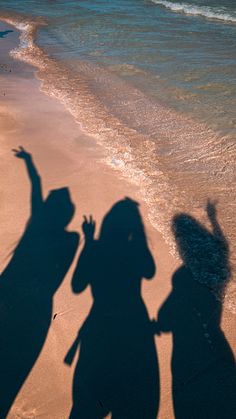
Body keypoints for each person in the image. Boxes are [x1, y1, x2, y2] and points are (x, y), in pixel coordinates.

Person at [0, 147, 79, 417]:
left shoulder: (33, 230)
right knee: (10, 383)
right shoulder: (72, 240)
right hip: (36, 314)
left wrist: (30, 161)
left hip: (7, 289)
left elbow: (36, 191)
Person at [66, 198, 159, 419]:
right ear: (131, 227)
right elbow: (150, 272)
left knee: (86, 404)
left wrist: (89, 241)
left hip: (99, 322)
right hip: (133, 320)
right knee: (130, 397)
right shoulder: (135, 249)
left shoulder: (95, 248)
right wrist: (139, 235)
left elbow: (77, 286)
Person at [156, 201, 236, 419]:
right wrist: (212, 219)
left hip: (194, 338)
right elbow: (224, 249)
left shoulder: (187, 272)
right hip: (211, 333)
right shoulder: (212, 263)